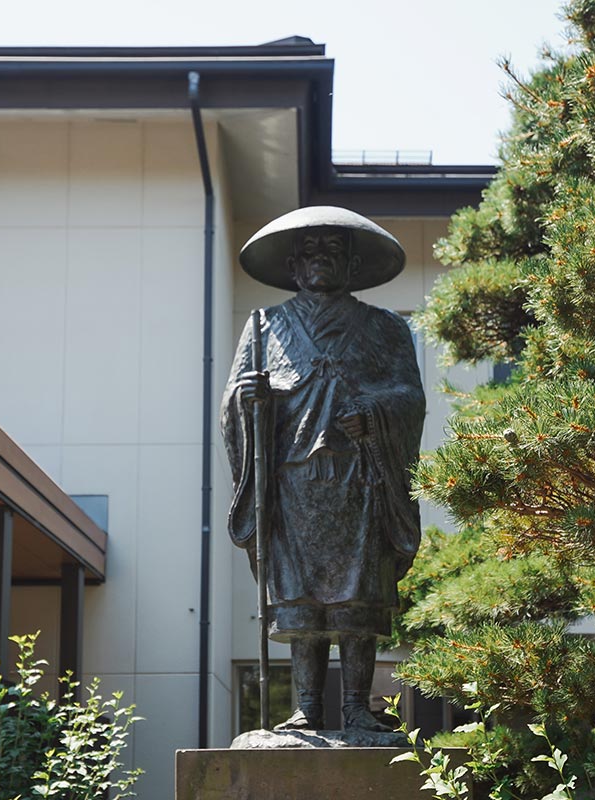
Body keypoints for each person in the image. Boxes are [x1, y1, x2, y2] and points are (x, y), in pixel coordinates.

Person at [221, 206, 425, 731]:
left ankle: (357, 706)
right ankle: (307, 706)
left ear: (353, 263)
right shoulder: (265, 325)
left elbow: (409, 395)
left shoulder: (385, 327)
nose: (320, 261)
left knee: (357, 597)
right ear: (292, 265)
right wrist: (250, 400)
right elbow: (233, 398)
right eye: (309, 252)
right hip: (292, 482)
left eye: (333, 250)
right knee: (301, 599)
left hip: (360, 477)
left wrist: (375, 412)